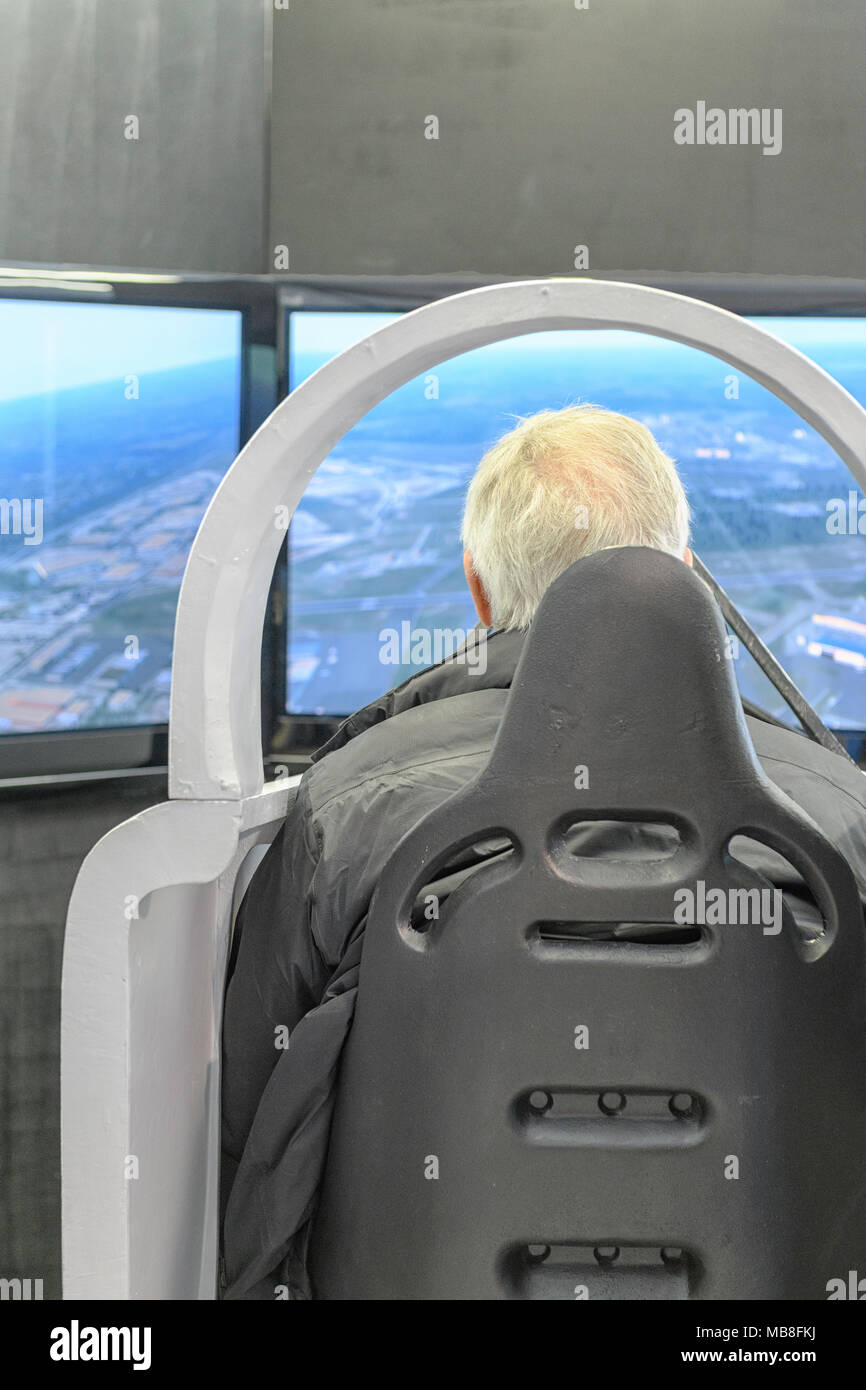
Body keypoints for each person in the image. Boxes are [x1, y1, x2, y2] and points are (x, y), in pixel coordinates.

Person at [219, 404, 866, 1299]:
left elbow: (253, 1125)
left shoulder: (348, 807)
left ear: (479, 594)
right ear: (685, 581)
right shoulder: (842, 820)